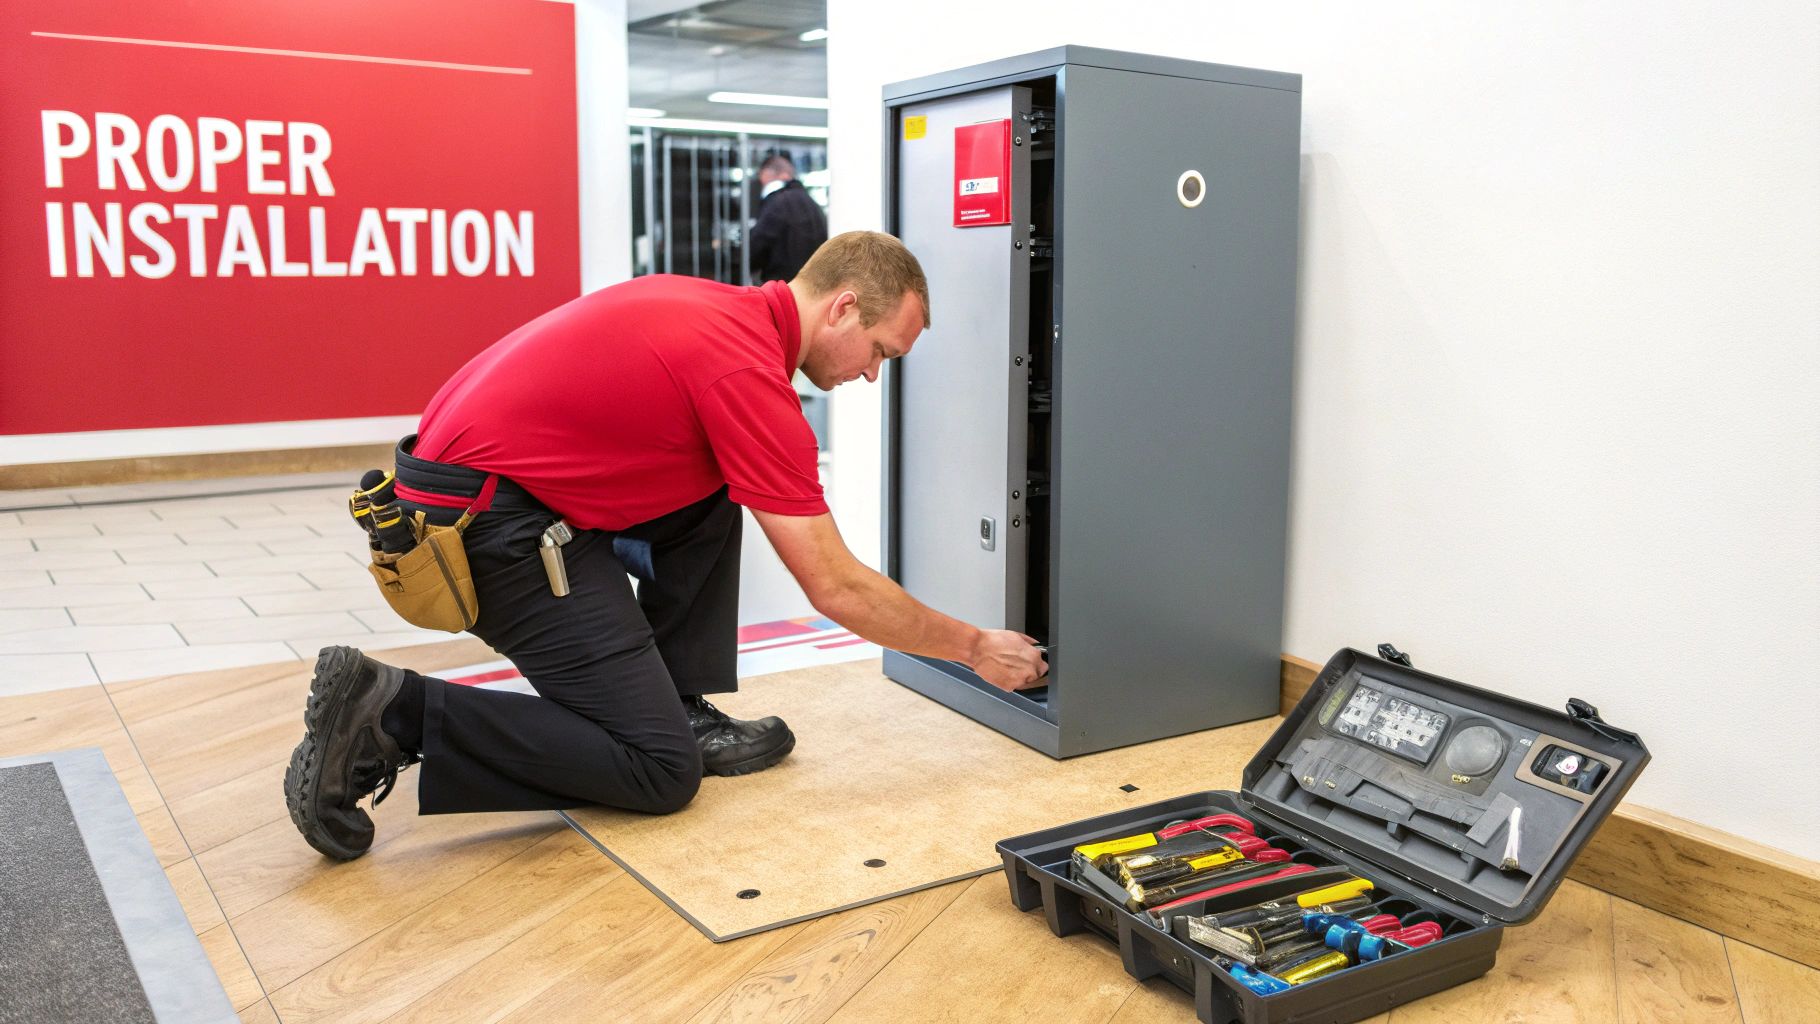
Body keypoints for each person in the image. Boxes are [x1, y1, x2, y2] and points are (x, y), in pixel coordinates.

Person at [284, 231, 1048, 861]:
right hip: (485, 531)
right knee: (658, 773)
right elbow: (836, 587)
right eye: (881, 351)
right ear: (843, 307)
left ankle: (675, 704)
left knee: (715, 494)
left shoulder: (714, 308)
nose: (873, 376)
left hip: (480, 491)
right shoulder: (745, 374)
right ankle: (394, 713)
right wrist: (974, 645)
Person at [748, 154, 828, 283]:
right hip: (813, 285)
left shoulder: (776, 202)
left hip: (783, 287)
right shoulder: (811, 202)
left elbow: (757, 247)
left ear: (766, 174)